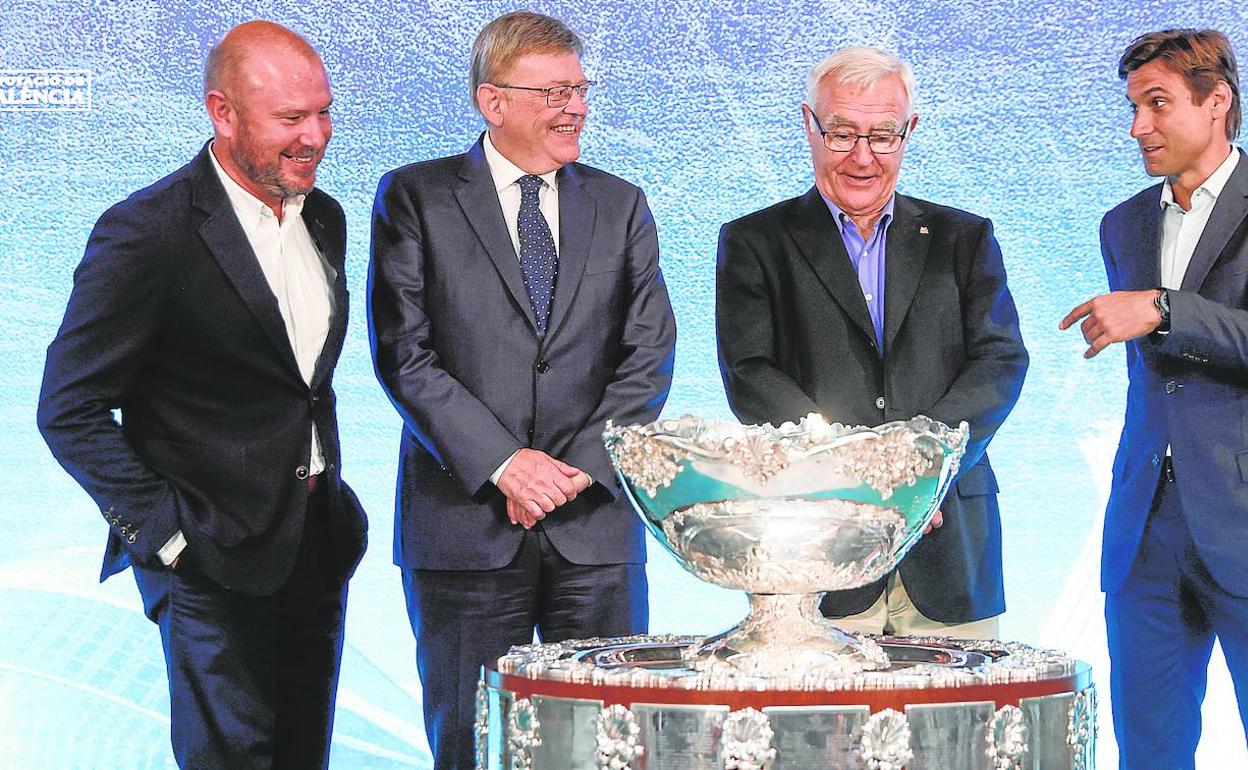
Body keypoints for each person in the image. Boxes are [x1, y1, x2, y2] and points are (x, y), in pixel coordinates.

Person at [36, 21, 367, 769]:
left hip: (314, 545)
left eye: (323, 112)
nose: (315, 135)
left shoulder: (324, 216)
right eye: (291, 118)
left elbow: (296, 385)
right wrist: (166, 535)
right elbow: (68, 407)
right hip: (210, 558)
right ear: (223, 113)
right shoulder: (148, 231)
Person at [368, 10, 676, 768]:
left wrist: (569, 473)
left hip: (593, 524)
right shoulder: (415, 197)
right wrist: (508, 465)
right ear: (492, 101)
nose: (575, 107)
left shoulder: (621, 202)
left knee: (609, 745)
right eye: (554, 92)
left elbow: (649, 354)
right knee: (470, 744)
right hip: (465, 530)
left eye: (579, 89)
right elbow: (405, 356)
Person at [716, 46, 1027, 639]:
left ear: (909, 132)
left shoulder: (964, 238)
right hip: (817, 555)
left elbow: (1000, 362)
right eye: (842, 134)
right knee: (824, 733)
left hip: (951, 543)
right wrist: (858, 477)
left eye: (882, 135)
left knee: (955, 731)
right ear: (809, 125)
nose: (863, 157)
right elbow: (751, 374)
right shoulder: (754, 241)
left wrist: (923, 468)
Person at [1060, 28, 1248, 769]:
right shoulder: (1124, 224)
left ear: (1218, 102)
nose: (1139, 126)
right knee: (1149, 751)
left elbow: (1174, 322)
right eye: (1134, 105)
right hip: (1144, 529)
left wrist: (1165, 309)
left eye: (1158, 103)